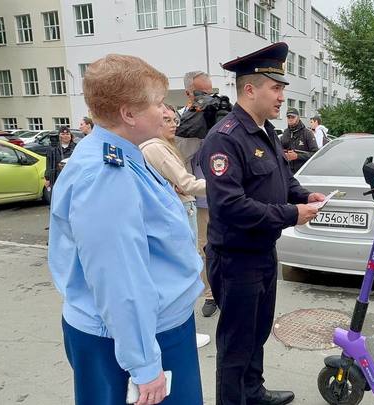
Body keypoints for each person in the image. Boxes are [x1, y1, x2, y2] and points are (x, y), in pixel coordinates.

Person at [47, 54, 204, 405]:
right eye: (159, 103)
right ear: (128, 114)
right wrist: (144, 364)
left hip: (148, 327)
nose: (167, 112)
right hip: (130, 338)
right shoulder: (106, 176)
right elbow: (118, 279)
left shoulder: (122, 154)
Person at [199, 42, 324, 405]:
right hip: (236, 258)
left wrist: (304, 197)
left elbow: (283, 179)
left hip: (263, 253)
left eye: (283, 88)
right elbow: (230, 205)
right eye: (277, 87)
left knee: (257, 334)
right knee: (236, 344)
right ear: (249, 89)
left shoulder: (265, 131)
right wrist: (291, 214)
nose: (283, 96)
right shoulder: (225, 138)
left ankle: (253, 393)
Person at [140, 104, 212, 350]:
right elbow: (186, 183)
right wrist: (225, 184)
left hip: (181, 206)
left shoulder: (160, 146)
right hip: (182, 208)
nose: (174, 124)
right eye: (167, 120)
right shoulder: (155, 148)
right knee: (186, 269)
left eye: (175, 119)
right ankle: (183, 331)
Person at [176, 70, 218, 317]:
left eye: (210, 92)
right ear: (189, 94)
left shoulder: (219, 115)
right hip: (200, 197)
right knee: (204, 247)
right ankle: (210, 293)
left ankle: (226, 289)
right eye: (202, 93)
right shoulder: (181, 120)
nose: (207, 98)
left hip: (227, 195)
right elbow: (180, 158)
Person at [280, 107, 318, 173]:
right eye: (288, 117)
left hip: (302, 173)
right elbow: (279, 150)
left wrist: (297, 156)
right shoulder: (285, 133)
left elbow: (315, 154)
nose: (290, 119)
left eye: (293, 117)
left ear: (298, 118)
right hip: (287, 172)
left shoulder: (307, 133)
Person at [44, 126, 76, 191]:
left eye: (67, 134)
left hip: (72, 177)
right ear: (59, 136)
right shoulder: (53, 148)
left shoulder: (76, 147)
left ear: (71, 136)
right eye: (63, 134)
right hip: (57, 176)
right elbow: (49, 164)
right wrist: (47, 178)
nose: (65, 136)